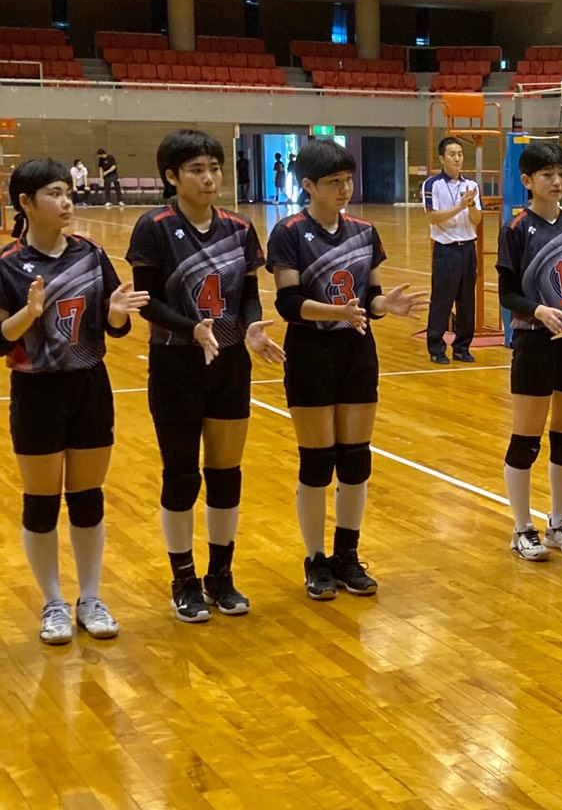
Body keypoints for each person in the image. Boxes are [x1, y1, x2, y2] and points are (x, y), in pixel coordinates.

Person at [126, 129, 285, 623]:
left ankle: (221, 574)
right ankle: (183, 578)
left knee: (225, 472)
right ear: (172, 176)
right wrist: (190, 329)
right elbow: (146, 301)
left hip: (231, 362)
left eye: (214, 168)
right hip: (175, 362)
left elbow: (250, 293)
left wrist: (253, 325)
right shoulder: (153, 227)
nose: (209, 178)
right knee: (181, 474)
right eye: (196, 170)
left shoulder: (239, 227)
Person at [267, 137, 427, 600]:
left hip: (357, 351)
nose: (344, 189)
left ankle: (347, 554)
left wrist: (384, 305)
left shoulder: (364, 231)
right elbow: (288, 303)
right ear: (308, 186)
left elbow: (370, 297)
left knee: (356, 459)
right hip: (310, 353)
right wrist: (337, 312)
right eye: (334, 182)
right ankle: (315, 559)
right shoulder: (289, 233)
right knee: (318, 461)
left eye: (348, 180)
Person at [0, 159, 148, 643]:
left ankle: (90, 597)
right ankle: (52, 603)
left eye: (67, 192)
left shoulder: (91, 253)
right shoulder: (7, 264)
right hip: (36, 391)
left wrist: (119, 314)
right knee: (42, 502)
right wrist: (29, 313)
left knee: (87, 498)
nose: (66, 202)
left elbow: (113, 327)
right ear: (25, 203)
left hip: (90, 386)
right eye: (54, 194)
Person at [497, 141, 562, 561]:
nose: (557, 181)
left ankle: (559, 524)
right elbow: (507, 293)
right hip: (534, 341)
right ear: (528, 181)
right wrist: (538, 310)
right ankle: (522, 527)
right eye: (547, 175)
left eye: (561, 173)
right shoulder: (516, 229)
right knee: (526, 439)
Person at [422, 135, 481, 365]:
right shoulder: (432, 184)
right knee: (442, 300)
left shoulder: (471, 186)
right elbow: (432, 217)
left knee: (467, 301)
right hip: (446, 251)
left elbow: (477, 219)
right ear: (442, 158)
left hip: (468, 249)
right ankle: (436, 347)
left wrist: (471, 205)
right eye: (452, 154)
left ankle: (462, 347)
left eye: (460, 154)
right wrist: (460, 206)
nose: (457, 158)